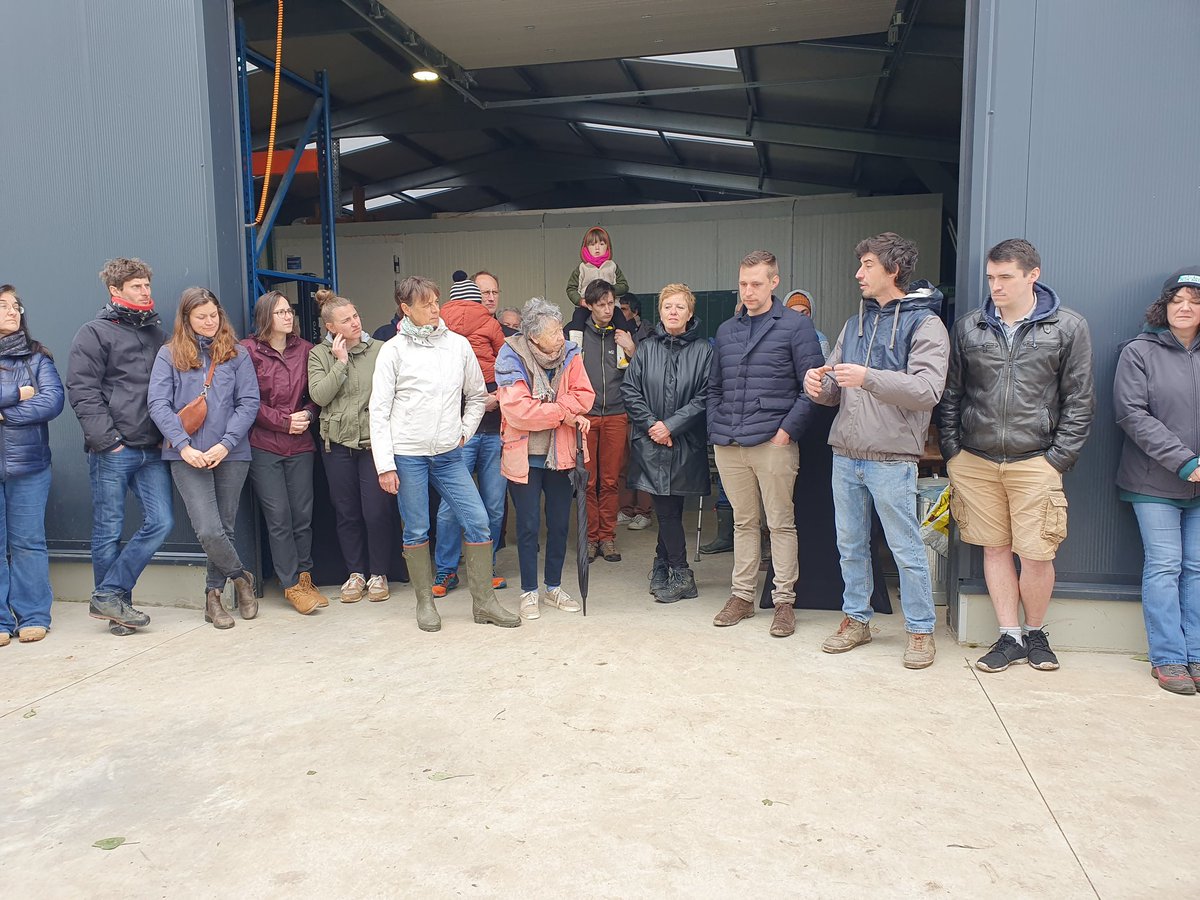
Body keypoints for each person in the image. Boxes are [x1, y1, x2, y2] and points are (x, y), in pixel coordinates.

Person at [940, 238, 1094, 673]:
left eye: (1005, 277)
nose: (996, 286)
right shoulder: (970, 326)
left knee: (1037, 553)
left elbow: (1080, 400)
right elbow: (951, 394)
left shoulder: (1067, 327)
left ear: (1033, 275)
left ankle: (1036, 633)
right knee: (995, 549)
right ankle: (1008, 636)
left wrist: (1057, 458)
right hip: (976, 459)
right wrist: (953, 452)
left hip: (1036, 460)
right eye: (991, 277)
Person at [804, 233, 949, 669]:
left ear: (894, 270)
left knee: (905, 548)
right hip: (846, 454)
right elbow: (835, 390)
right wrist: (818, 386)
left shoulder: (926, 325)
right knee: (849, 544)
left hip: (892, 458)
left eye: (867, 265)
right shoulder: (855, 324)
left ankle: (921, 631)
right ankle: (856, 620)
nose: (858, 274)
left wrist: (867, 377)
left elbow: (927, 391)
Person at [369, 276, 520, 632]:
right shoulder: (393, 350)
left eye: (437, 301)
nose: (436, 309)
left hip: (449, 453)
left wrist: (464, 431)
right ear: (406, 309)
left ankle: (484, 603)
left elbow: (476, 394)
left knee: (479, 519)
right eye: (427, 304)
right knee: (417, 528)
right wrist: (385, 465)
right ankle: (425, 603)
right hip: (408, 455)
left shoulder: (457, 346)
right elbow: (379, 410)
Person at [707, 250, 824, 638]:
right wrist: (715, 428)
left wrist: (786, 432)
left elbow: (814, 387)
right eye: (743, 284)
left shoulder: (795, 327)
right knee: (744, 521)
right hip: (730, 441)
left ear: (774, 282)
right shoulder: (726, 330)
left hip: (773, 441)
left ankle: (783, 601)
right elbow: (714, 387)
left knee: (780, 523)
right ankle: (741, 597)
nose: (748, 291)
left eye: (756, 284)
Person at [67, 258, 173, 636]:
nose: (145, 291)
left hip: (152, 448)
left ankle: (108, 594)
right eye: (136, 286)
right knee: (108, 530)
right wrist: (107, 440)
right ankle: (116, 610)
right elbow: (82, 390)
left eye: (147, 284)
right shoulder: (93, 332)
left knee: (161, 522)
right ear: (115, 291)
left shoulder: (157, 332)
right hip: (114, 448)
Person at [147, 288, 260, 630]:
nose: (210, 322)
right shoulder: (168, 355)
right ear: (186, 319)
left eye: (214, 315)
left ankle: (213, 598)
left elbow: (248, 403)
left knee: (225, 527)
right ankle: (241, 578)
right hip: (187, 455)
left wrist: (226, 444)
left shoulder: (237, 355)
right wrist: (183, 445)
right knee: (209, 529)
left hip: (232, 453)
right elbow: (158, 404)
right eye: (201, 317)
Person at [1113, 267, 1200, 694]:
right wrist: (1186, 462)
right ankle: (1168, 659)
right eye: (1177, 300)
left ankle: (1197, 655)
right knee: (1165, 565)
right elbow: (1132, 413)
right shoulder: (1139, 351)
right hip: (1153, 482)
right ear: (1164, 306)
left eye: (1195, 300)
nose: (1185, 308)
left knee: (1198, 569)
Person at [496, 298, 594, 620]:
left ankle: (553, 586)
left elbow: (585, 395)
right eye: (553, 333)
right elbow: (518, 411)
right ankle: (529, 591)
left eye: (559, 329)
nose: (560, 337)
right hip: (524, 455)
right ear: (533, 337)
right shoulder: (511, 355)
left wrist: (553, 408)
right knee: (526, 526)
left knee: (559, 524)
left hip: (562, 454)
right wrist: (565, 413)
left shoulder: (571, 353)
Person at [621, 284, 713, 603]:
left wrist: (671, 426)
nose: (673, 312)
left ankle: (680, 573)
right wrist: (652, 425)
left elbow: (706, 396)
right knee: (666, 508)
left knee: (670, 510)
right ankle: (665, 566)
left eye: (679, 307)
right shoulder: (646, 349)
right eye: (667, 306)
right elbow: (630, 391)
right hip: (651, 443)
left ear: (690, 313)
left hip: (684, 443)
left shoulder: (704, 351)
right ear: (659, 312)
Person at [308, 289, 394, 603]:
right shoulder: (319, 354)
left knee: (376, 511)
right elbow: (319, 396)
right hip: (338, 444)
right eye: (346, 320)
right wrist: (340, 363)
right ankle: (356, 574)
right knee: (347, 513)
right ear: (331, 328)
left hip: (374, 444)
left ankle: (379, 574)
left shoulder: (382, 350)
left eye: (355, 316)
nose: (355, 323)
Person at [241, 291, 323, 615]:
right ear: (265, 317)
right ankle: (289, 584)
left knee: (303, 515)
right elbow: (247, 400)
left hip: (300, 444)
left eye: (289, 311)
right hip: (264, 445)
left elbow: (315, 393)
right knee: (279, 517)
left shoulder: (306, 350)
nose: (288, 317)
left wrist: (309, 414)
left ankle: (305, 578)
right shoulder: (247, 351)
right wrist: (283, 422)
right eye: (280, 312)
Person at [432, 272, 508, 598]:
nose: (490, 298)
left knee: (475, 506)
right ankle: (461, 570)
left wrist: (498, 398)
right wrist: (490, 397)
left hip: (486, 431)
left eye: (494, 292)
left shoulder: (440, 328)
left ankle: (462, 570)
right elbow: (509, 366)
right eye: (484, 292)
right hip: (464, 434)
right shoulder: (494, 328)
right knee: (476, 506)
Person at [0, 285, 64, 645]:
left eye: (16, 306)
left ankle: (34, 615)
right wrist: (16, 394)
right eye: (3, 305)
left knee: (28, 543)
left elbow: (52, 403)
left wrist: (4, 416)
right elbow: (32, 401)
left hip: (30, 466)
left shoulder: (37, 357)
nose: (13, 311)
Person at [570, 279, 637, 562]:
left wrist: (632, 349)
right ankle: (589, 537)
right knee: (587, 481)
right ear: (589, 305)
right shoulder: (575, 335)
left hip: (616, 414)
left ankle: (607, 538)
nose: (608, 309)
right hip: (585, 416)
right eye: (601, 304)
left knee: (610, 481)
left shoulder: (622, 334)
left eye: (611, 303)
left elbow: (642, 374)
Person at [566, 227, 630, 335]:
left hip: (610, 306)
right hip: (586, 305)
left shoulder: (612, 266)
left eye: (601, 244)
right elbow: (571, 288)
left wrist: (610, 290)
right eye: (592, 244)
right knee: (577, 322)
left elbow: (624, 286)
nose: (597, 248)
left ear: (607, 247)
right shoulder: (582, 268)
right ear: (586, 247)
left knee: (621, 323)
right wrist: (580, 301)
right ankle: (576, 348)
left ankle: (621, 348)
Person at [784, 289, 831, 361]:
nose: (799, 317)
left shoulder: (820, 339)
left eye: (804, 313)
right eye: (793, 313)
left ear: (811, 313)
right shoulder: (777, 337)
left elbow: (824, 369)